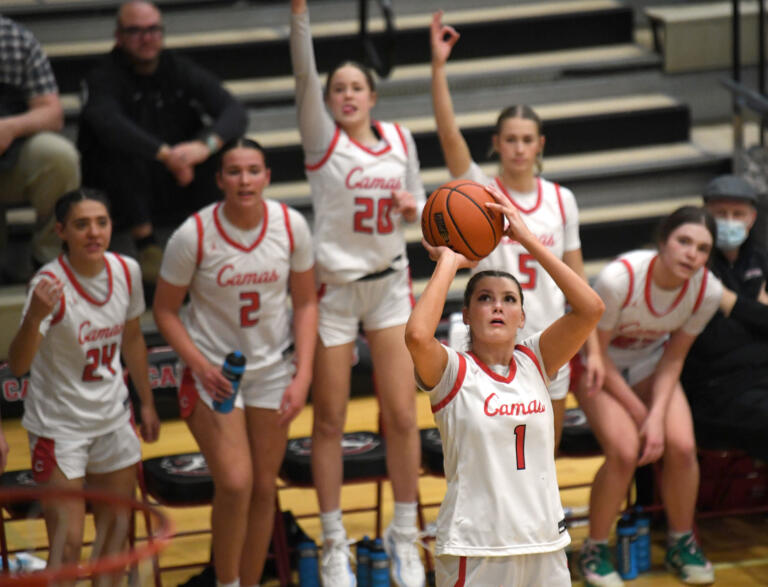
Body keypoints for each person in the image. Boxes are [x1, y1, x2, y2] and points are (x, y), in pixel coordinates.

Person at [289, 2, 427, 585]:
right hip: (335, 293)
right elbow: (302, 75)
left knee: (401, 414)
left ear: (372, 96)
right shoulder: (322, 141)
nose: (346, 95)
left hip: (390, 286)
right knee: (331, 422)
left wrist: (412, 208)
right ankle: (334, 542)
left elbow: (420, 208)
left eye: (356, 87)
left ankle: (405, 535)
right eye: (337, 88)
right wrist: (300, 16)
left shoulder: (399, 139)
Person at [406, 183, 603, 586]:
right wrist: (448, 261)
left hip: (544, 542)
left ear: (521, 317)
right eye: (484, 298)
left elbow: (590, 308)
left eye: (509, 299)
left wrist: (527, 238)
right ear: (466, 315)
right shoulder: (452, 371)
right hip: (475, 548)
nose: (498, 305)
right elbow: (416, 337)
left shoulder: (536, 360)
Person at [430, 11, 603, 449]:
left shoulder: (563, 199)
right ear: (497, 143)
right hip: (491, 340)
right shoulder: (479, 193)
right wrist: (437, 67)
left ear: (540, 145)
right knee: (488, 453)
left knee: (546, 452)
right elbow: (449, 134)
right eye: (511, 140)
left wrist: (594, 350)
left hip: (550, 342)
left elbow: (577, 281)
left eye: (527, 140)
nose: (519, 148)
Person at [153, 138, 317, 587]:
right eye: (234, 171)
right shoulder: (194, 234)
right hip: (214, 378)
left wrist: (303, 375)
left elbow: (305, 304)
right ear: (219, 179)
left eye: (253, 170)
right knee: (236, 483)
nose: (244, 180)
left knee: (265, 487)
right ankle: (226, 583)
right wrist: (200, 365)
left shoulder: (291, 225)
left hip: (271, 373)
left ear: (266, 176)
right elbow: (164, 311)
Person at [7, 188, 160, 583]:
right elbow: (19, 365)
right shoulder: (48, 284)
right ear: (61, 231)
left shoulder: (126, 270)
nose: (93, 232)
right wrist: (35, 314)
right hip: (59, 427)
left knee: (114, 542)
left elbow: (132, 340)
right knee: (67, 545)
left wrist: (146, 402)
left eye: (101, 222)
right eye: (81, 224)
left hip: (112, 418)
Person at [574, 206, 723, 586]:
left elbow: (674, 358)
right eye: (684, 241)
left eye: (703, 249)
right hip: (595, 363)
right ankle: (594, 548)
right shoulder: (619, 278)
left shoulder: (708, 290)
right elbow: (598, 353)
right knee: (624, 452)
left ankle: (680, 541)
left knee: (683, 447)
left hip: (650, 364)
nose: (692, 254)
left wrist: (656, 416)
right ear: (663, 241)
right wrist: (642, 415)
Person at [78, 0, 247, 283]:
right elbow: (107, 122)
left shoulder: (177, 67)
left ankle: (216, 239)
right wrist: (165, 154)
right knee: (112, 144)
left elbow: (234, 111)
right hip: (124, 185)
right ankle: (147, 247)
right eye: (136, 31)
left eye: (154, 30)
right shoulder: (103, 76)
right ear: (119, 36)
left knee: (226, 148)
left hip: (177, 176)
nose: (147, 38)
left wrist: (202, 148)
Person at [682, 175, 768, 460]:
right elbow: (711, 342)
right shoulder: (692, 264)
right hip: (715, 389)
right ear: (705, 215)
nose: (729, 220)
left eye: (738, 214)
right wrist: (758, 313)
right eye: (721, 214)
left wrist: (731, 304)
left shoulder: (762, 260)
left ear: (752, 218)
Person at [0, 15, 80, 272]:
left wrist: (11, 127)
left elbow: (52, 113)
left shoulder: (14, 38)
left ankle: (49, 262)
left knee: (58, 155)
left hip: (11, 156)